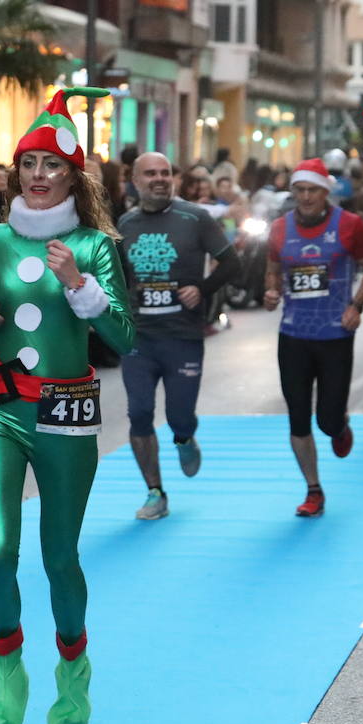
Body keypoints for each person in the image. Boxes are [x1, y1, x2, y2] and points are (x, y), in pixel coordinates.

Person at [0, 88, 135, 724]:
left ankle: (72, 671)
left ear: (73, 176)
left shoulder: (91, 245)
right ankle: (7, 668)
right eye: (27, 163)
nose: (36, 176)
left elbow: (124, 338)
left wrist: (79, 286)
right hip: (2, 411)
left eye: (50, 165)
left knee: (59, 556)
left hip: (66, 414)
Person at [117, 152, 242, 519]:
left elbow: (232, 263)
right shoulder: (124, 223)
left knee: (179, 416)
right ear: (136, 181)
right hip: (139, 338)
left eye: (165, 173)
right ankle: (155, 492)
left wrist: (201, 289)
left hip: (183, 336)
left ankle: (185, 438)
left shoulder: (195, 218)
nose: (159, 179)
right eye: (151, 174)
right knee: (139, 413)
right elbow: (118, 278)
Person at [263, 157, 363, 517]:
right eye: (299, 190)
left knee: (327, 420)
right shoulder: (280, 228)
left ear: (325, 191)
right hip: (294, 335)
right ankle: (313, 489)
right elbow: (272, 269)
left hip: (335, 334)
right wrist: (271, 291)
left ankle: (339, 425)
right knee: (298, 417)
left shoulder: (350, 225)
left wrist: (356, 305)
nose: (305, 197)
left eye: (312, 190)